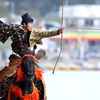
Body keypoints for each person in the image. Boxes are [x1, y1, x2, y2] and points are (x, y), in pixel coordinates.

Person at [0, 13, 64, 99]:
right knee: (3, 77)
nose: (31, 26)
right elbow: (4, 26)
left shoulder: (34, 32)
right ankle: (3, 96)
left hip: (30, 60)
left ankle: (42, 97)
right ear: (24, 24)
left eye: (32, 25)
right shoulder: (15, 30)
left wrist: (57, 32)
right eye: (30, 24)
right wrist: (16, 27)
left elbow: (45, 33)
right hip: (16, 60)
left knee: (40, 81)